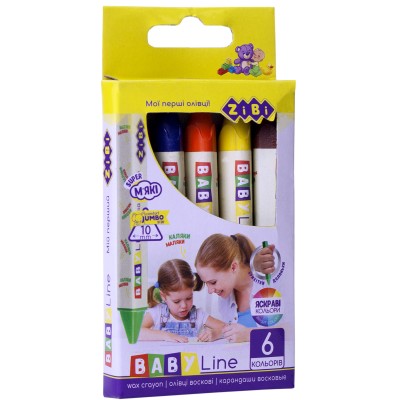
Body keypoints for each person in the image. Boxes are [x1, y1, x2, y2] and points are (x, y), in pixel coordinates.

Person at [195, 233, 275, 343]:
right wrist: (218, 333)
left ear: (233, 267)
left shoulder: (270, 284)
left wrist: (249, 335)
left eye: (213, 282)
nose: (210, 290)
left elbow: (291, 330)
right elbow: (235, 331)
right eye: (206, 283)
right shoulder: (225, 299)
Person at [139, 259, 225, 343]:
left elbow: (226, 328)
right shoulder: (157, 313)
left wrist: (215, 333)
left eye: (189, 298)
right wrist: (165, 335)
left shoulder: (198, 315)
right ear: (163, 296)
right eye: (176, 301)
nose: (184, 305)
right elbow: (136, 333)